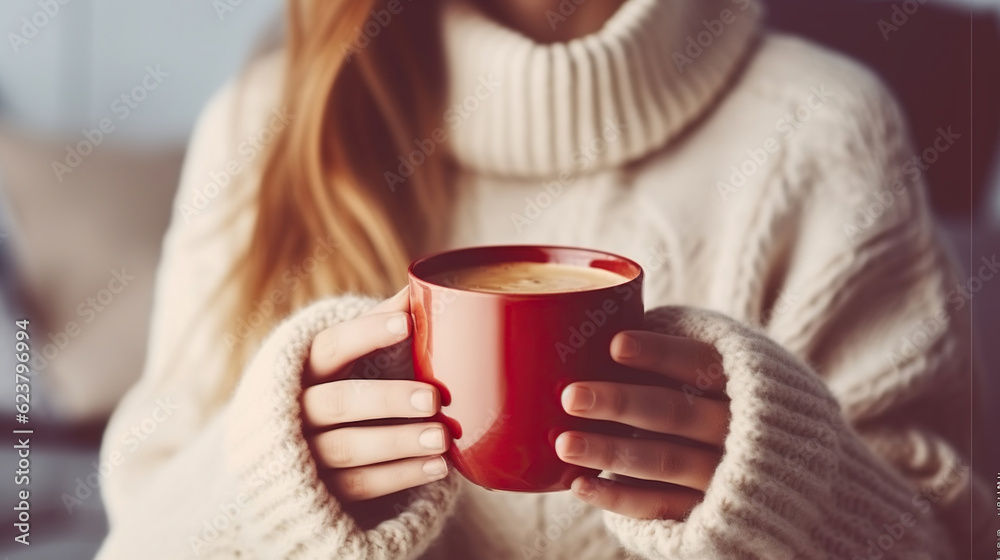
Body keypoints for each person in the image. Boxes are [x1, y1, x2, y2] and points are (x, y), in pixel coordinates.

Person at [96, 0, 990, 558]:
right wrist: (271, 483)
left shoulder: (829, 132)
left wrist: (789, 490)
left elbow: (955, 539)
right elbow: (136, 541)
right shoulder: (270, 123)